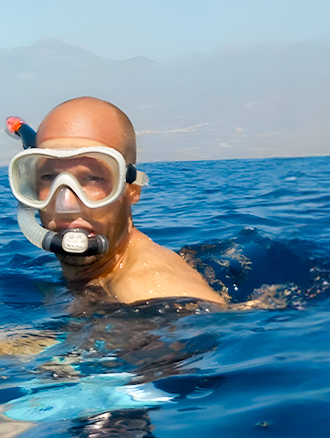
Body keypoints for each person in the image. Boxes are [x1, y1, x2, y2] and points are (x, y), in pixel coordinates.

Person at [14, 96, 223, 306]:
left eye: (94, 179)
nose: (65, 204)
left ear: (132, 189)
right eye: (49, 177)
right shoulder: (99, 276)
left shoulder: (148, 291)